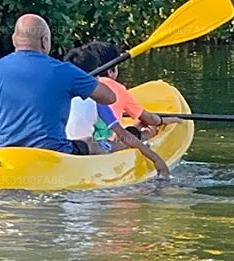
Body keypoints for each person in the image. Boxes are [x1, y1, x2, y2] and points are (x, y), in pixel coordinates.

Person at [0, 15, 116, 156]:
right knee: (90, 143)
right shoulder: (65, 71)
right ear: (44, 41)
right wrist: (80, 86)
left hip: (3, 153)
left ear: (14, 40)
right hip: (50, 152)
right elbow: (109, 97)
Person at [63, 45, 171, 178]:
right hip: (87, 149)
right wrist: (155, 158)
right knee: (116, 143)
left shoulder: (57, 96)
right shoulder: (97, 100)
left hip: (62, 149)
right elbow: (123, 135)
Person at [84, 40, 181, 139]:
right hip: (107, 144)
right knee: (147, 126)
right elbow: (148, 118)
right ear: (110, 71)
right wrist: (161, 120)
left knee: (135, 125)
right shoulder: (117, 89)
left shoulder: (78, 84)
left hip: (82, 141)